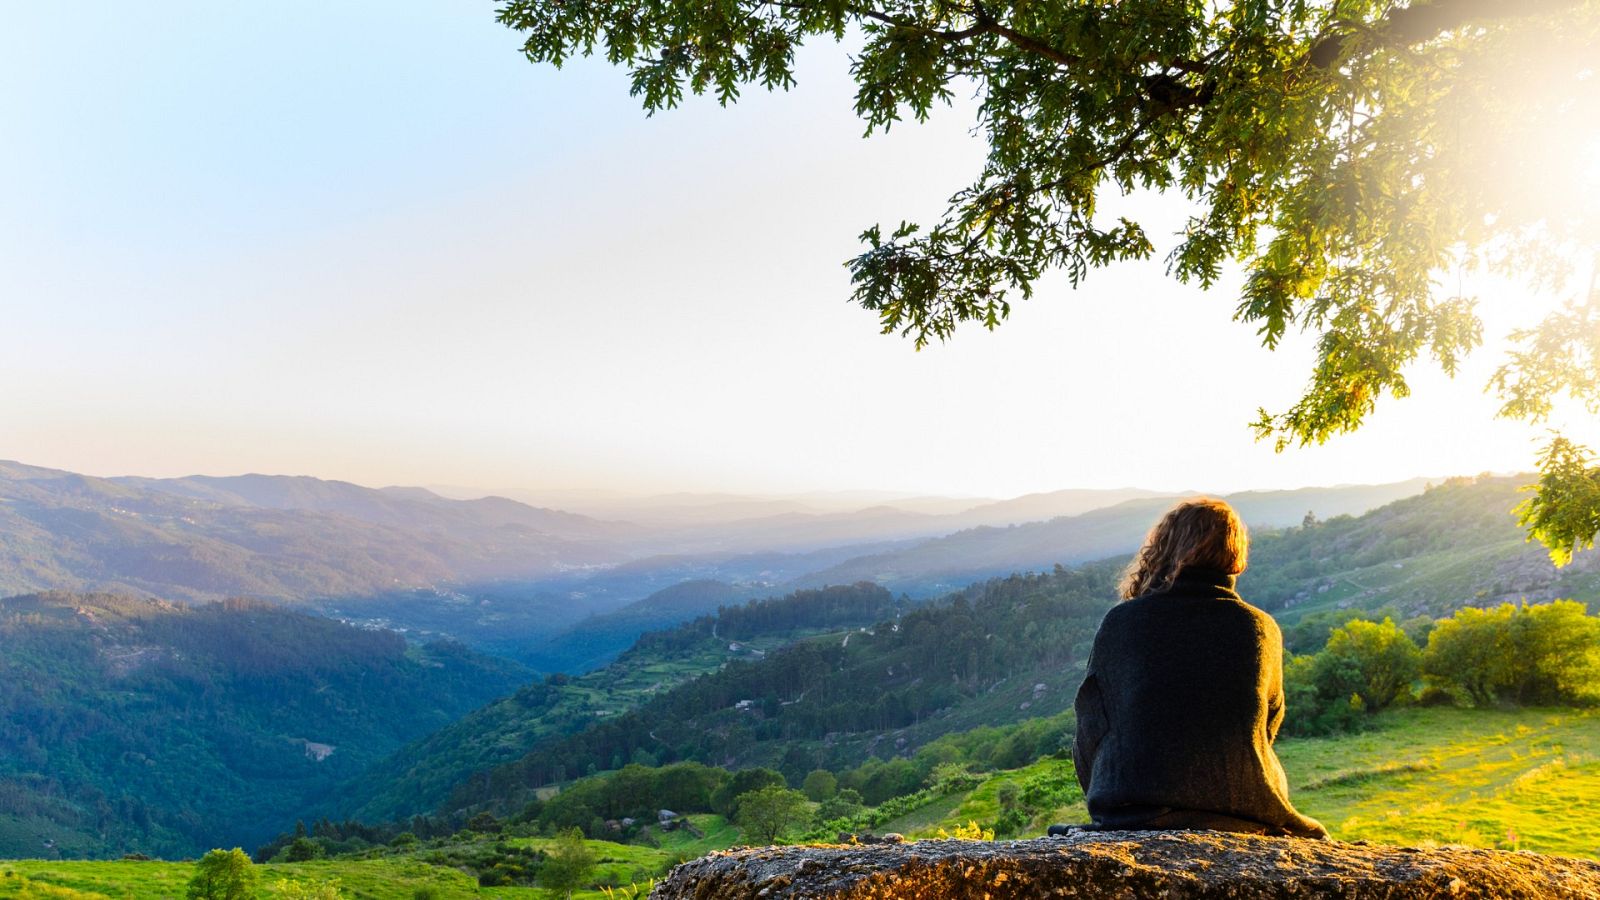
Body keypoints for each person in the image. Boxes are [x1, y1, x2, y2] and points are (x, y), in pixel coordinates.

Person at [1066, 498, 1327, 838]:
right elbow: (1266, 727)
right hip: (1245, 809)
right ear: (1236, 558)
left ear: (1163, 548)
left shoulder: (1123, 623)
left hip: (1133, 809)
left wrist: (1113, 795)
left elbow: (1091, 727)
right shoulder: (1261, 629)